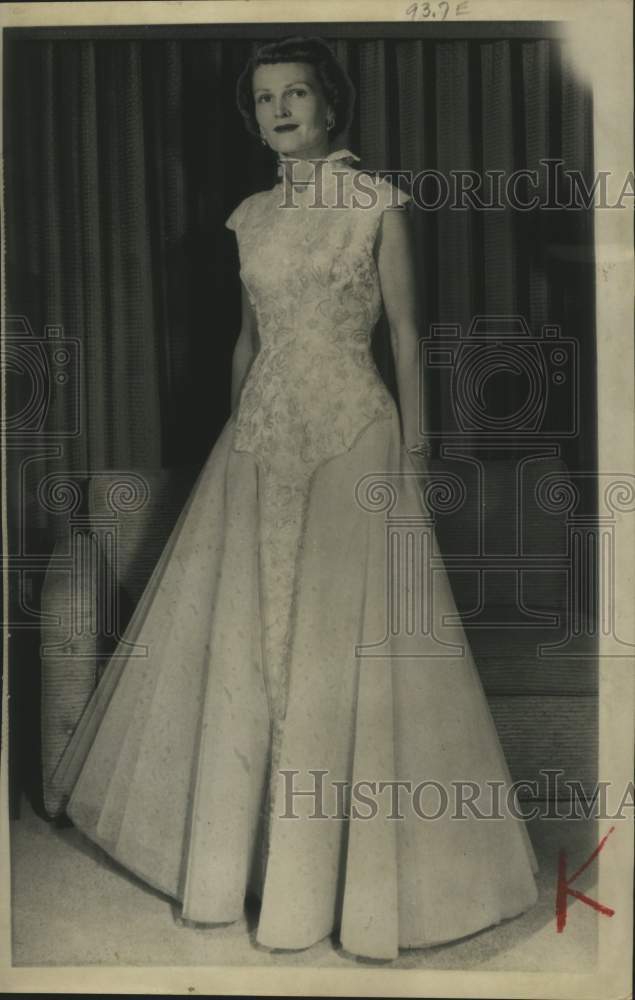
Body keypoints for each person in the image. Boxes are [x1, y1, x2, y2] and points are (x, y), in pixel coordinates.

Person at [53, 35, 539, 960]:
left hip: (354, 436)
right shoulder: (249, 217)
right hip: (261, 444)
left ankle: (339, 900)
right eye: (264, 98)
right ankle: (242, 878)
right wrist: (236, 441)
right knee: (252, 646)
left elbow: (403, 334)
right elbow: (247, 341)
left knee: (331, 652)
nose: (279, 110)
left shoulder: (376, 204)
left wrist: (419, 450)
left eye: (296, 94)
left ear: (330, 105)